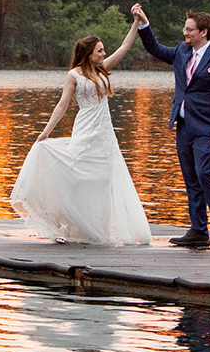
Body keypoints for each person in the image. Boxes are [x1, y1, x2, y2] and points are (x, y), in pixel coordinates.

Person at [9, 28, 152, 245]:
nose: (104, 54)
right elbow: (62, 105)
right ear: (88, 54)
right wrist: (46, 131)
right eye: (100, 50)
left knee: (102, 180)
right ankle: (65, 226)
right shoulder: (74, 76)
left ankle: (97, 228)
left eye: (103, 50)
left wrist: (136, 23)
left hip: (104, 133)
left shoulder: (101, 70)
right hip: (84, 130)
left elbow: (125, 48)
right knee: (74, 178)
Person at [130, 4, 210, 247]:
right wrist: (143, 23)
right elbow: (154, 48)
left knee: (205, 173)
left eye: (189, 29)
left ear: (204, 32)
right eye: (185, 28)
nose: (184, 33)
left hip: (208, 129)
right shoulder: (181, 51)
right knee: (191, 178)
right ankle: (198, 230)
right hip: (183, 126)